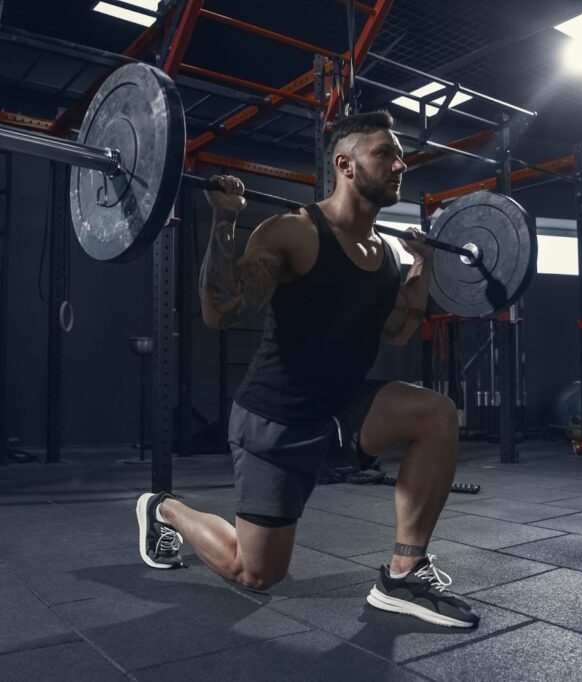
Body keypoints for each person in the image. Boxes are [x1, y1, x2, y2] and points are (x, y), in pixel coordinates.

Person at [135, 110, 478, 628]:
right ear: (345, 164)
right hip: (277, 418)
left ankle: (404, 576)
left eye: (400, 155)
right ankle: (164, 508)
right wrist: (225, 219)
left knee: (436, 414)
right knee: (255, 573)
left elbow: (399, 331)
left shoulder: (384, 252)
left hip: (342, 408)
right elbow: (221, 311)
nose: (400, 164)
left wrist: (423, 264)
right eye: (385, 153)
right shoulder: (294, 232)